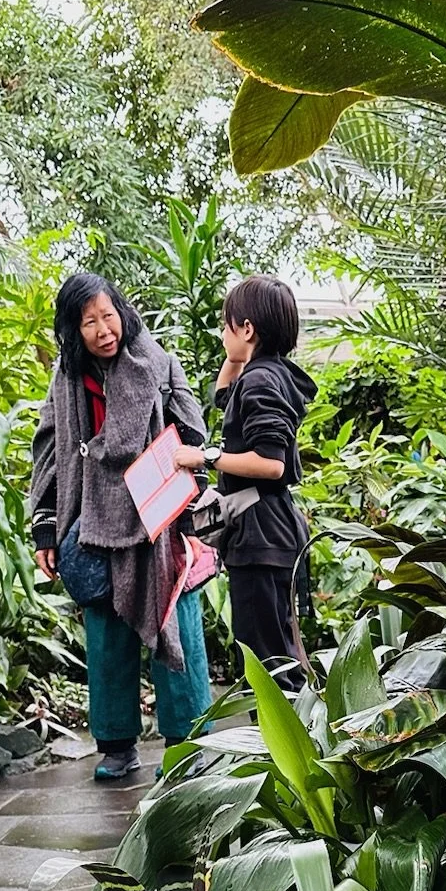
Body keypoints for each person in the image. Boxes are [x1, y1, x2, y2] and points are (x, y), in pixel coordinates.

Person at [31, 272, 212, 781]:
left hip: (160, 523)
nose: (102, 329)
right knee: (107, 637)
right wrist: (46, 529)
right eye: (88, 322)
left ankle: (186, 748)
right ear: (73, 329)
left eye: (108, 316)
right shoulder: (66, 381)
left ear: (121, 313)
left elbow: (193, 432)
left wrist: (175, 469)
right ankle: (116, 746)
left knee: (176, 625)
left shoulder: (159, 363)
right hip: (94, 525)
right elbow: (49, 452)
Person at [174, 275, 315, 688]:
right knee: (275, 649)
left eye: (227, 325)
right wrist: (238, 352)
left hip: (261, 538)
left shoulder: (259, 381)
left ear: (248, 329)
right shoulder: (269, 374)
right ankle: (288, 745)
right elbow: (224, 395)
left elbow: (270, 463)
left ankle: (282, 748)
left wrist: (206, 456)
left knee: (267, 659)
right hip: (272, 532)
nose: (222, 335)